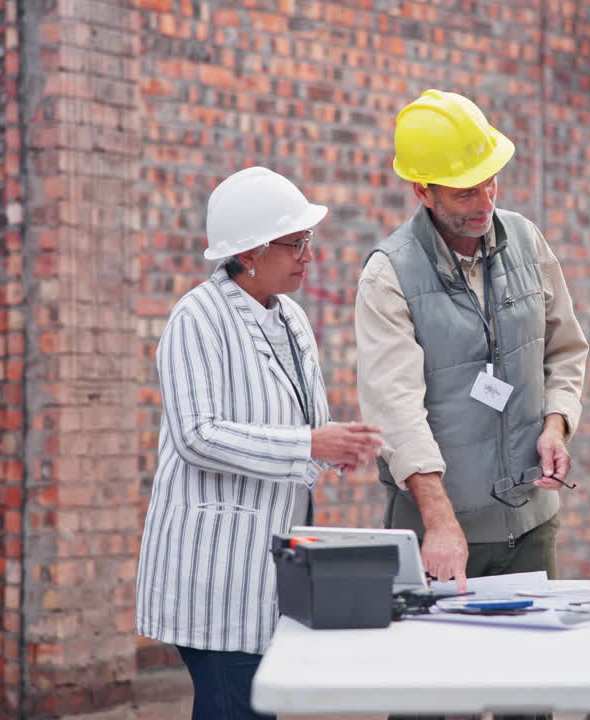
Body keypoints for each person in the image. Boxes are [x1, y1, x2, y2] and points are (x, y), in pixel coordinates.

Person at [135, 167, 384, 720]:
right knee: (232, 706)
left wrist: (333, 447)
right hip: (214, 570)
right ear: (249, 251)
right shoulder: (195, 318)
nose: (307, 255)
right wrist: (308, 444)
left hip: (268, 570)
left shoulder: (292, 318)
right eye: (294, 243)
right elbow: (198, 435)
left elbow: (304, 424)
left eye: (307, 241)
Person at [355, 90, 589, 591]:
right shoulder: (388, 275)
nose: (486, 204)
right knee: (443, 671)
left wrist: (556, 426)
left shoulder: (527, 241)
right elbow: (394, 408)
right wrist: (439, 521)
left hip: (532, 527)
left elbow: (565, 350)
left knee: (530, 670)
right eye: (465, 193)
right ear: (422, 191)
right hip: (440, 537)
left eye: (491, 184)